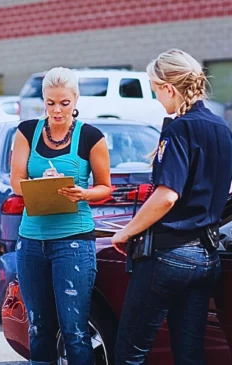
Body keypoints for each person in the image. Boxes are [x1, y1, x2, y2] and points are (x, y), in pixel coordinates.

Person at [111, 49, 232, 365]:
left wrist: (125, 232)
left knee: (129, 353)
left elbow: (166, 196)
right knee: (190, 354)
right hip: (207, 256)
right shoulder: (222, 128)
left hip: (169, 255)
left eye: (154, 89)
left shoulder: (179, 128)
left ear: (169, 87)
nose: (156, 98)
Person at [10, 67, 111, 364]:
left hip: (73, 242)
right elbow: (16, 181)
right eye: (50, 103)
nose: (57, 110)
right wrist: (39, 186)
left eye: (64, 103)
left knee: (74, 330)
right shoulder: (27, 131)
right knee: (39, 328)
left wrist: (83, 193)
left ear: (76, 99)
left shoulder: (91, 136)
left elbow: (105, 187)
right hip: (31, 241)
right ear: (43, 99)